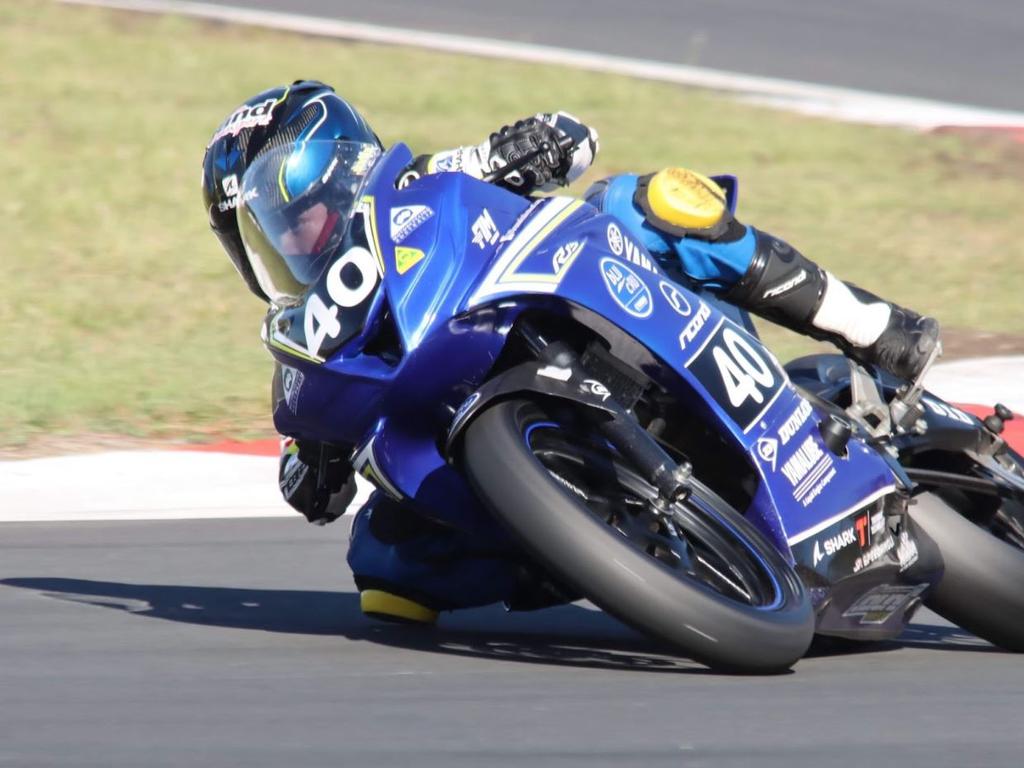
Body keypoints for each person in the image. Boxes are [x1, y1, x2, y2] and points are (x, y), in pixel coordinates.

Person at [202, 80, 940, 623]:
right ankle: (593, 550)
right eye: (272, 233)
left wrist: (534, 143)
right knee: (384, 573)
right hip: (492, 442)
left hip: (606, 312)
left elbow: (573, 137)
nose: (296, 239)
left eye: (303, 213)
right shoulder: (309, 341)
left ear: (344, 171)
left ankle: (870, 324)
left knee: (643, 202)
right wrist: (314, 464)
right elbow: (309, 480)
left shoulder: (429, 179)